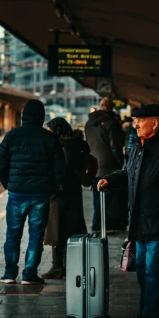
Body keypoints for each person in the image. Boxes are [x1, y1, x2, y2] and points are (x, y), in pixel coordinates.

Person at [98, 104, 159, 318]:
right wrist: (110, 180)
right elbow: (129, 173)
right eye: (136, 120)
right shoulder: (138, 147)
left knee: (152, 271)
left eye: (140, 120)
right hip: (138, 222)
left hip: (158, 222)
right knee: (140, 269)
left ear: (155, 123)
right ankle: (144, 313)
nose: (136, 124)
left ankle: (150, 316)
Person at [0, 99, 66, 285]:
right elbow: (59, 167)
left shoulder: (12, 135)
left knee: (13, 234)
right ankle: (29, 274)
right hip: (40, 195)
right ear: (41, 118)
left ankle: (9, 274)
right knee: (36, 234)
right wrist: (51, 186)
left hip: (17, 193)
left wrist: (8, 184)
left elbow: (1, 162)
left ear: (23, 117)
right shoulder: (48, 138)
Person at [42, 118, 89, 279]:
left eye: (49, 131)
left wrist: (55, 184)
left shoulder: (65, 147)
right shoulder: (74, 144)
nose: (47, 134)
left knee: (57, 229)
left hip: (61, 193)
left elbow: (64, 169)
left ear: (57, 131)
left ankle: (58, 266)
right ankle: (66, 265)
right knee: (67, 228)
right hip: (71, 191)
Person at [85, 97, 125, 232]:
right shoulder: (111, 122)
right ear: (111, 107)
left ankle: (99, 225)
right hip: (108, 165)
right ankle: (98, 226)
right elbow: (115, 146)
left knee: (97, 196)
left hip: (93, 164)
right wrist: (120, 162)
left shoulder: (89, 123)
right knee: (106, 198)